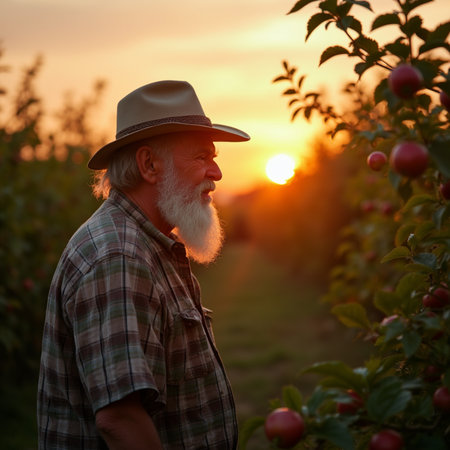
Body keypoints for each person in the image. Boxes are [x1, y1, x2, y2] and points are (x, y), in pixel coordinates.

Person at [37, 80, 250, 449]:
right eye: (201, 157)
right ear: (149, 164)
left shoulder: (145, 243)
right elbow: (120, 419)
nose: (216, 174)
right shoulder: (118, 256)